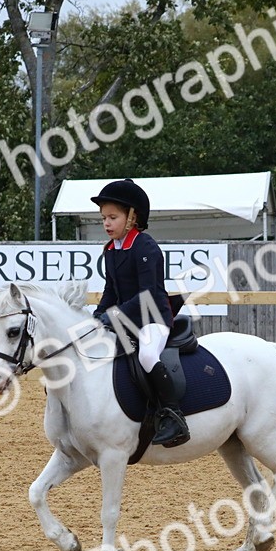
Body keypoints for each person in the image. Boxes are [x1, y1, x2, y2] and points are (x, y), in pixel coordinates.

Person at [90, 179, 190, 447]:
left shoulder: (145, 247)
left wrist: (113, 316)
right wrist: (97, 315)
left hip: (153, 317)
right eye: (103, 218)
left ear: (132, 217)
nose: (107, 223)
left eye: (113, 217)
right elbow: (110, 290)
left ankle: (173, 415)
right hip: (125, 319)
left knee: (147, 355)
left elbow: (146, 295)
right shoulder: (110, 250)